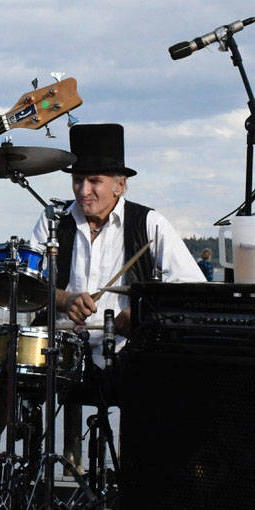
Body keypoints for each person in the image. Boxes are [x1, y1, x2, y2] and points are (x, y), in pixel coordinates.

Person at [30, 122, 205, 462]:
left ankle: (136, 479)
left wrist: (138, 314)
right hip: (59, 357)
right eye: (78, 180)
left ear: (120, 185)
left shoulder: (149, 224)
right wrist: (64, 299)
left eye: (94, 181)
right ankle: (39, 472)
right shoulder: (53, 220)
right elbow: (27, 285)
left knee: (163, 391)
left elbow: (191, 289)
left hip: (127, 357)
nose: (83, 190)